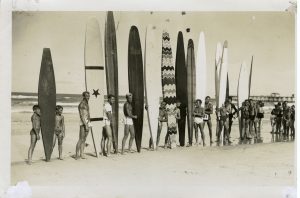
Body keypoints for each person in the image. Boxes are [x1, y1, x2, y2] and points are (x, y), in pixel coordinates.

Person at [75, 91, 91, 160]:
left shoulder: (87, 103)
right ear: (83, 96)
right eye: (87, 96)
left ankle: (82, 153)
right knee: (81, 139)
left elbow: (87, 114)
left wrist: (88, 123)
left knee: (84, 139)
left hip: (87, 122)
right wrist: (85, 125)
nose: (88, 97)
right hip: (83, 122)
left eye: (88, 96)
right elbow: (81, 116)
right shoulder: (82, 104)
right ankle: (76, 155)